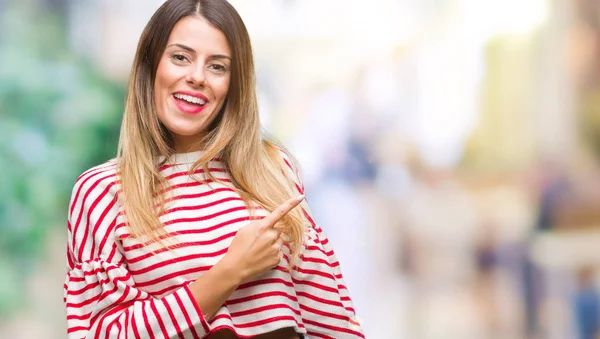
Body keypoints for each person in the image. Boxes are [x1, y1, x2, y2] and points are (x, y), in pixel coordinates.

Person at [62, 0, 364, 338]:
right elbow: (99, 333)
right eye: (180, 57)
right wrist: (228, 273)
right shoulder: (102, 191)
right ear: (150, 66)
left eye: (217, 66)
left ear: (234, 85)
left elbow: (329, 315)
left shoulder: (272, 170)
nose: (196, 77)